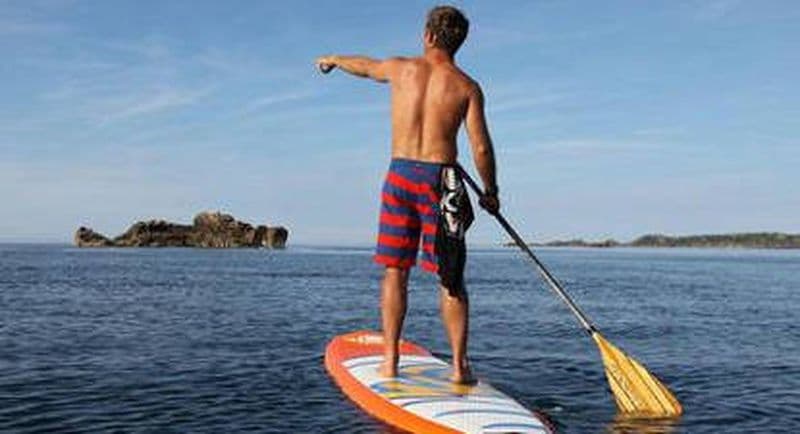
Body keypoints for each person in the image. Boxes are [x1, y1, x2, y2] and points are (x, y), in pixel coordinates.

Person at [316, 5, 499, 385]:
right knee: (450, 278)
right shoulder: (467, 87)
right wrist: (490, 191)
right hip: (441, 181)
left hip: (399, 175)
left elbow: (364, 66)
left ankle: (389, 360)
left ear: (428, 35)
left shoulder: (401, 69)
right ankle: (460, 367)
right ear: (458, 43)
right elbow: (480, 147)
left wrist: (334, 59)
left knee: (395, 272)